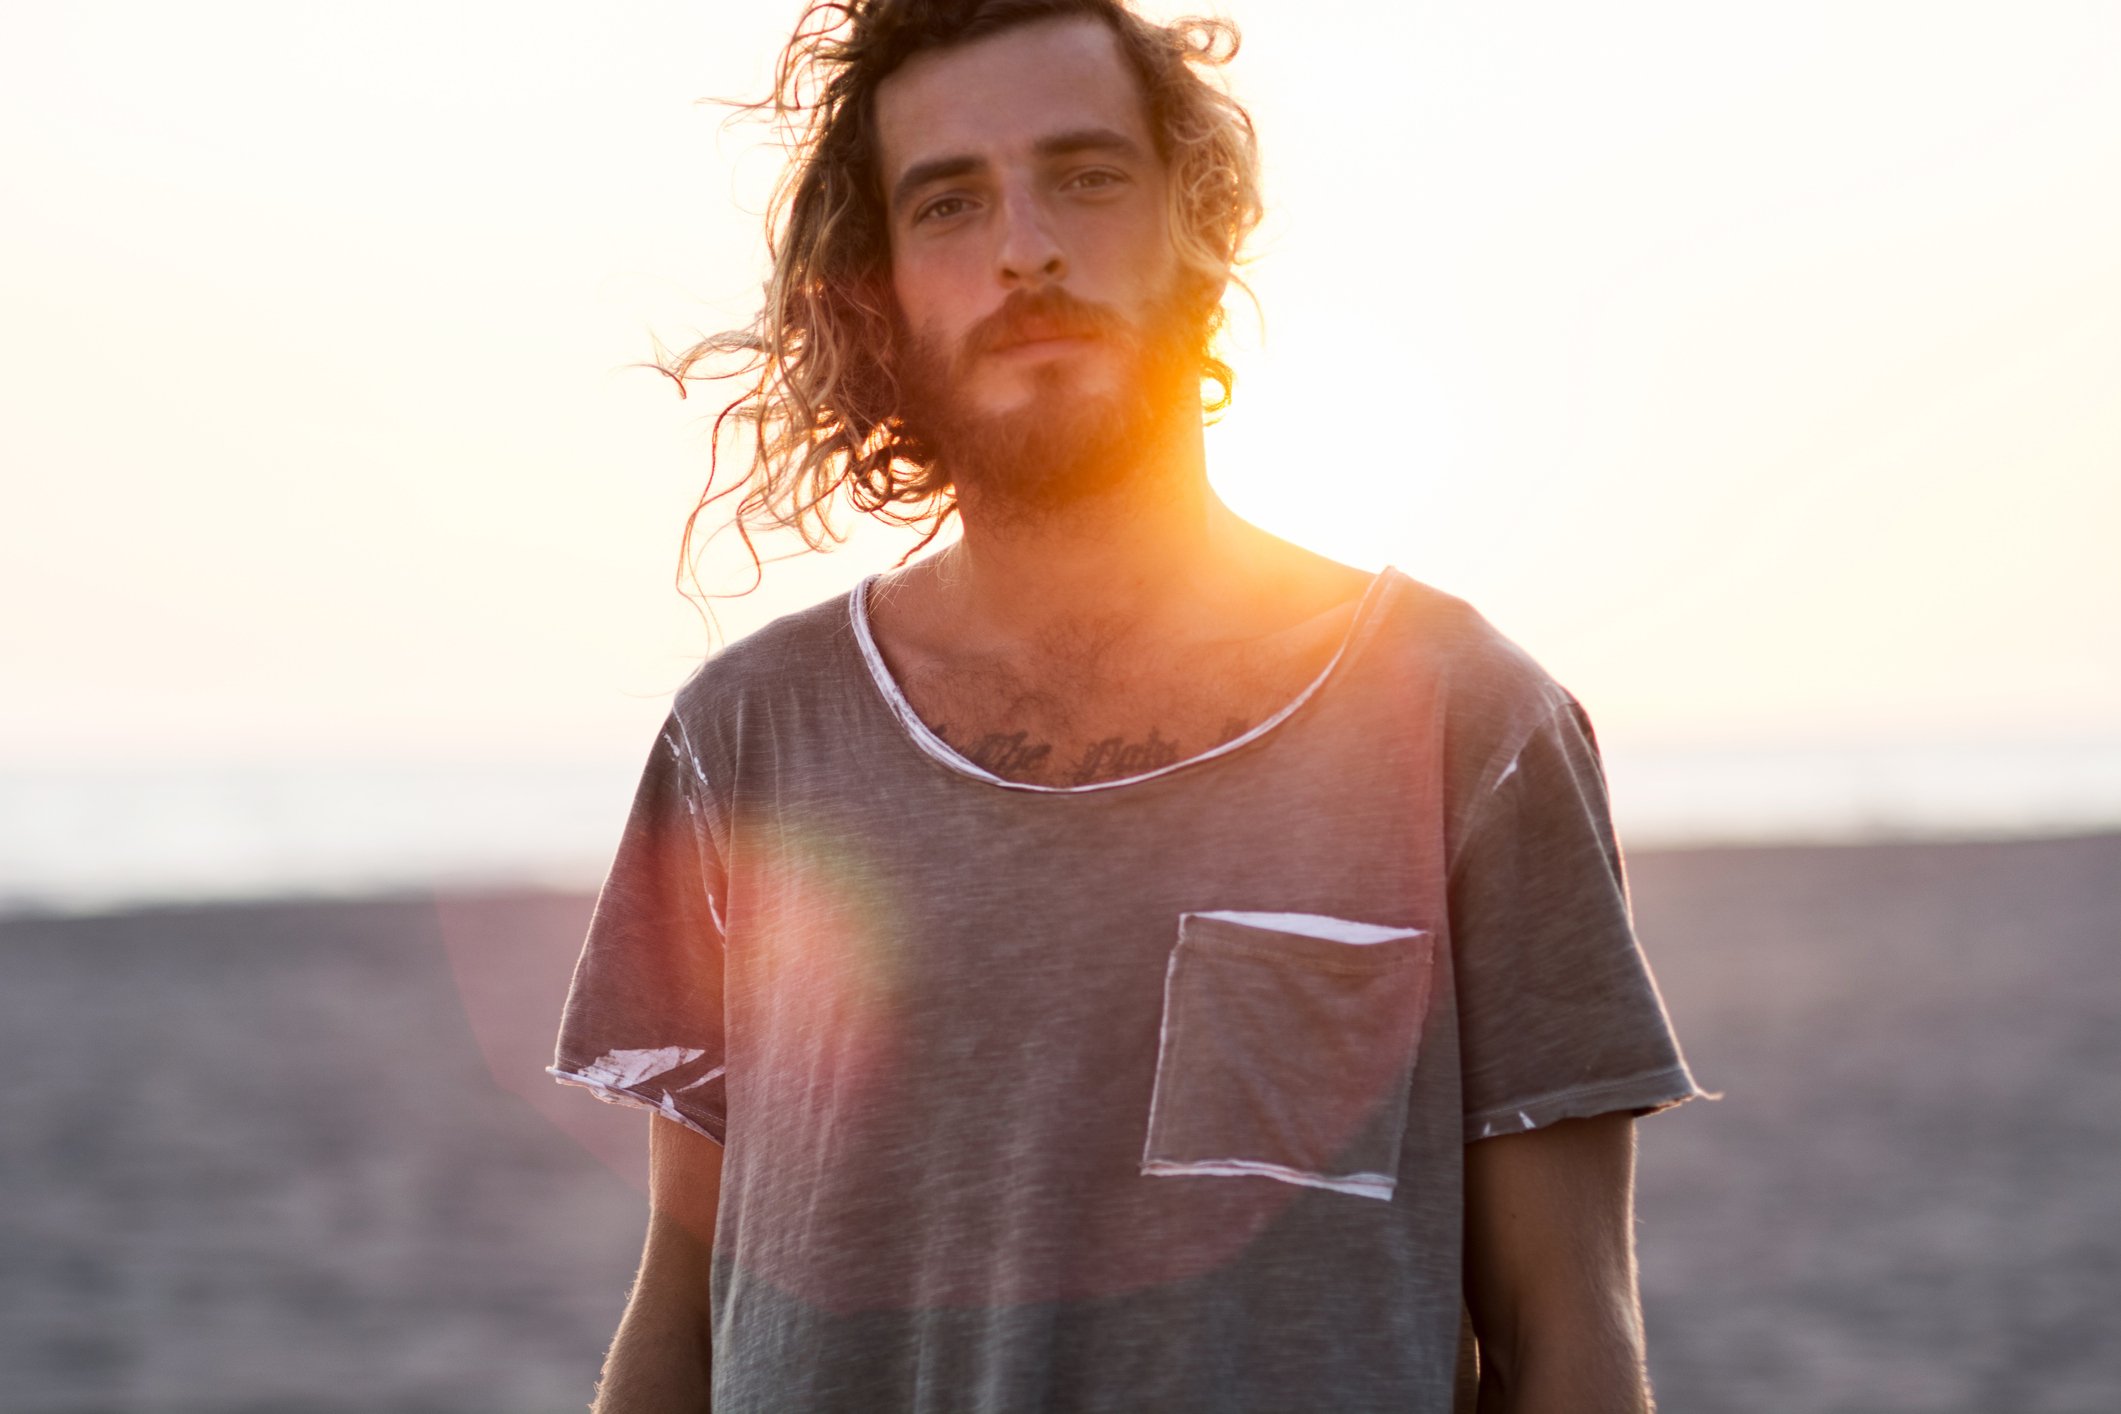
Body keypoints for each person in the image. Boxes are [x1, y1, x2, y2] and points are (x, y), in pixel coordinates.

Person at [550, 1, 1706, 1409]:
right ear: (879, 288)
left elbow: (1570, 1337)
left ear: (1193, 223)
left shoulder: (1466, 724)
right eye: (949, 201)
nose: (1024, 245)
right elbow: (681, 1312)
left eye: (1086, 176)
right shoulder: (747, 739)